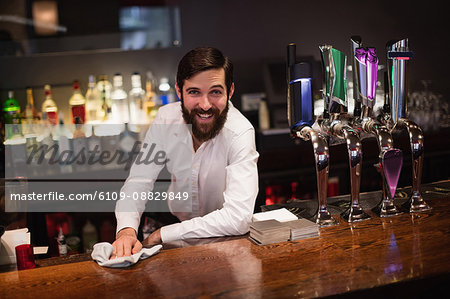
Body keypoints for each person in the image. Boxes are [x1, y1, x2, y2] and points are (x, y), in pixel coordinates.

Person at [112, 47, 259, 258]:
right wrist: (126, 230)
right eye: (194, 92)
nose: (205, 105)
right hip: (176, 234)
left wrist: (162, 234)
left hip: (227, 241)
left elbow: (238, 218)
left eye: (216, 92)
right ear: (179, 91)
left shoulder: (240, 132)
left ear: (231, 91)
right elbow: (139, 181)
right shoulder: (165, 118)